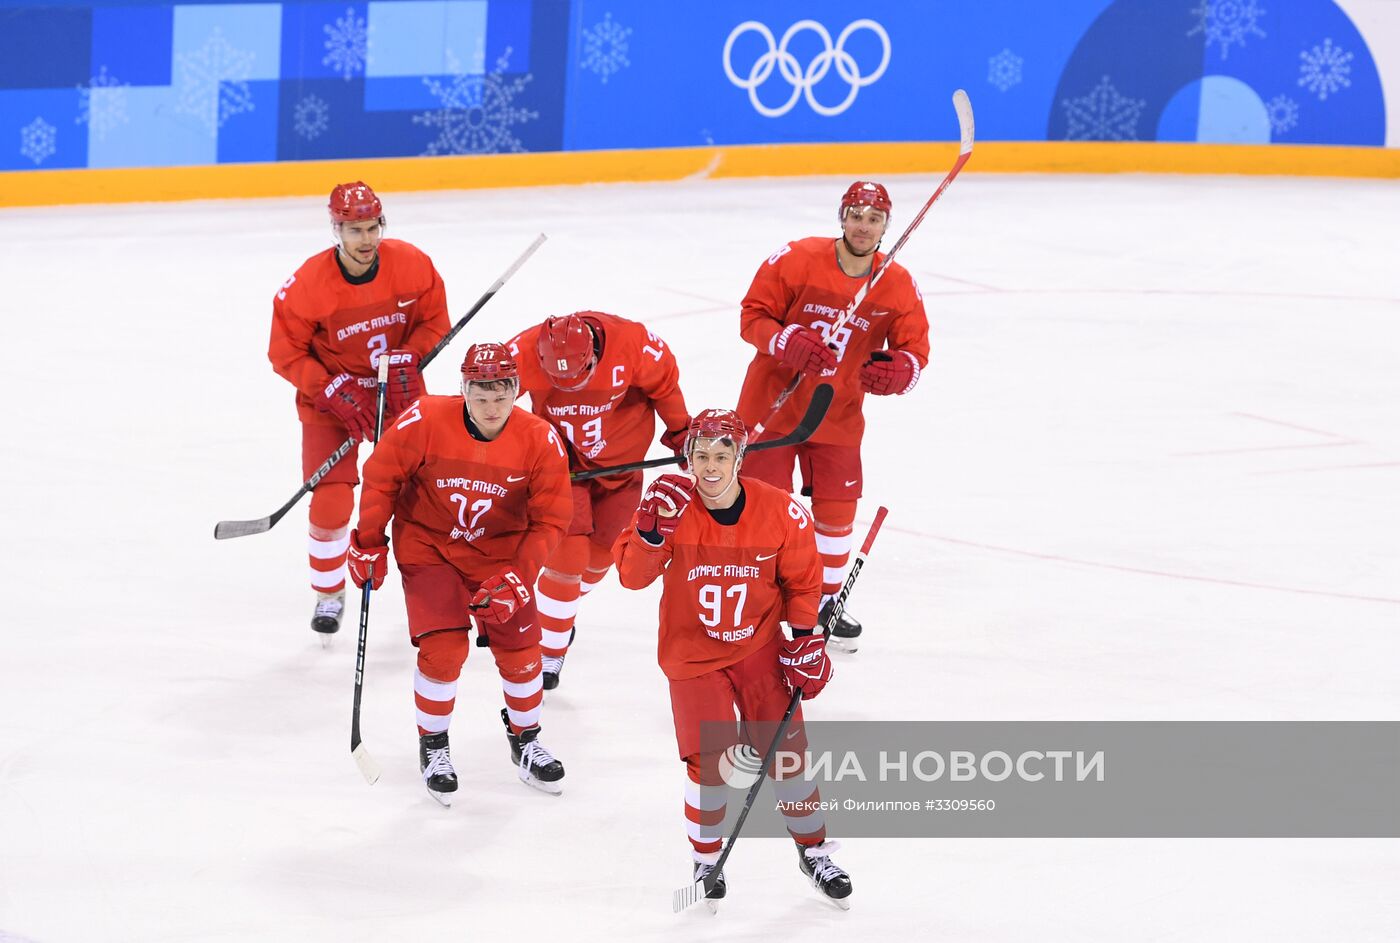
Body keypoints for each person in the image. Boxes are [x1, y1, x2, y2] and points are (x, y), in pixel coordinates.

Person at [613, 409, 853, 908]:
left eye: (722, 455)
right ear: (688, 458)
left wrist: (806, 639)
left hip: (759, 649)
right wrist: (651, 533)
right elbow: (631, 577)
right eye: (701, 455)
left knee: (788, 757)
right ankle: (706, 858)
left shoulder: (780, 511)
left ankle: (815, 851)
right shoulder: (669, 505)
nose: (711, 466)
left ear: (740, 457)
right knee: (711, 762)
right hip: (693, 656)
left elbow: (803, 582)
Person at [345, 342, 572, 805]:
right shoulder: (426, 419)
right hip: (431, 547)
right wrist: (368, 541)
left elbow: (551, 519)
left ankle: (525, 740)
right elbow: (382, 475)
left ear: (516, 391)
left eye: (501, 395)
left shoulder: (540, 439)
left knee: (523, 652)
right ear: (464, 390)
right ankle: (433, 745)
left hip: (500, 555)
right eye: (480, 395)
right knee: (444, 649)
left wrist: (519, 577)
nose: (492, 407)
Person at [734, 180, 929, 652]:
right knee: (766, 512)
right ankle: (758, 600)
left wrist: (902, 371)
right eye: (856, 215)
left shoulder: (896, 283)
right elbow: (751, 317)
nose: (864, 226)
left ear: (886, 225)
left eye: (874, 218)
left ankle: (824, 603)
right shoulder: (797, 258)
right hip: (773, 407)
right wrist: (784, 341)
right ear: (842, 217)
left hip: (838, 414)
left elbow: (916, 351)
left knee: (837, 516)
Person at [268, 181, 450, 639]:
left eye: (372, 227)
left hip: (400, 392)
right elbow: (284, 353)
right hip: (333, 401)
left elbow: (435, 321)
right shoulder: (307, 285)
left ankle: (435, 590)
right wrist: (327, 387)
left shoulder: (411, 263)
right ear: (336, 230)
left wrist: (412, 354)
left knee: (424, 494)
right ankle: (329, 593)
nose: (366, 240)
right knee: (331, 498)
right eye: (354, 230)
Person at [505, 312, 690, 689]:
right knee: (567, 559)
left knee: (601, 557)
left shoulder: (635, 344)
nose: (570, 388)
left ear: (593, 354)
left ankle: (560, 611)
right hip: (562, 466)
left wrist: (681, 430)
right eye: (560, 381)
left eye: (579, 376)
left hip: (622, 470)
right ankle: (548, 652)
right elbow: (483, 399)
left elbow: (665, 387)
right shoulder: (522, 351)